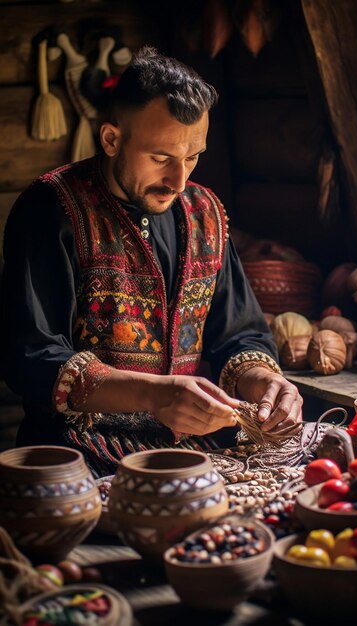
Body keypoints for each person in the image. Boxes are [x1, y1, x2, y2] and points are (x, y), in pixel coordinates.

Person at [0, 46, 303, 477]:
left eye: (193, 156)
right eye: (161, 158)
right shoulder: (53, 208)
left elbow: (239, 335)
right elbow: (31, 357)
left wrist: (265, 382)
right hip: (78, 457)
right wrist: (155, 395)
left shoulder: (206, 214)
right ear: (111, 139)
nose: (179, 180)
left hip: (196, 453)